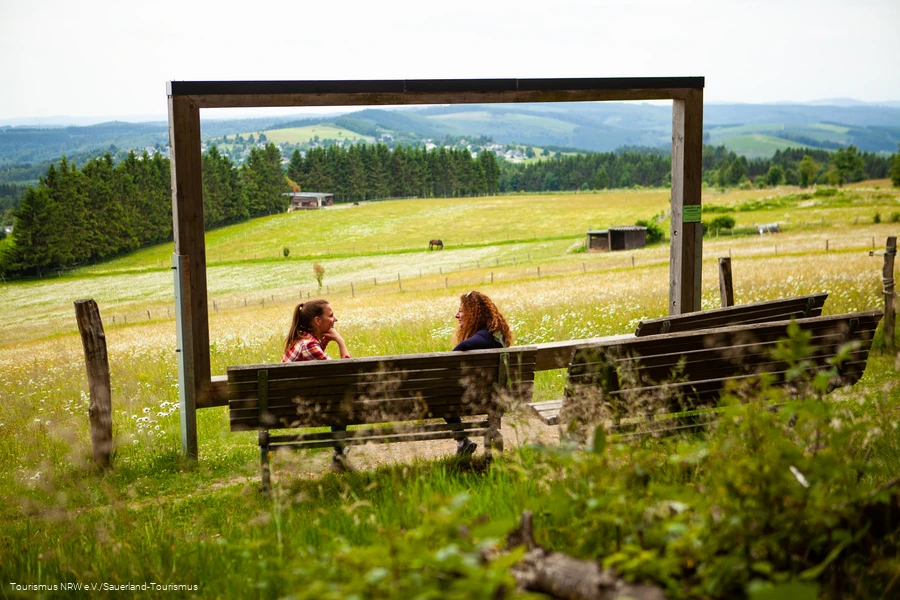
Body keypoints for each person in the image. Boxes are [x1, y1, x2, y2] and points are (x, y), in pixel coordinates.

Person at [282, 299, 353, 471]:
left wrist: (324, 341)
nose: (335, 319)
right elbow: (345, 374)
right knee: (342, 398)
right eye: (331, 315)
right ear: (317, 321)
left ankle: (339, 454)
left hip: (287, 405)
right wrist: (340, 342)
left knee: (337, 396)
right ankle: (339, 455)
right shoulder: (309, 346)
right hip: (300, 409)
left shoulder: (302, 341)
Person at [448, 290, 515, 455]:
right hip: (495, 398)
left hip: (475, 399)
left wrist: (458, 349)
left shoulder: (480, 340)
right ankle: (463, 442)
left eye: (461, 311)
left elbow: (457, 352)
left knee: (439, 389)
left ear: (473, 313)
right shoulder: (497, 336)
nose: (457, 315)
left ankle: (462, 440)